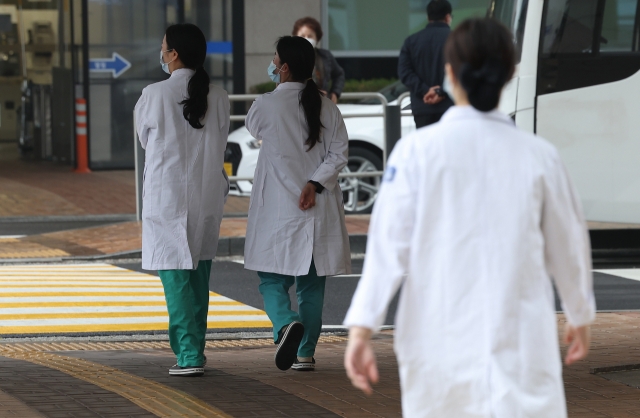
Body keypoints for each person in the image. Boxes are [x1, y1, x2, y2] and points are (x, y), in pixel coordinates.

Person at [344, 18, 595, 417]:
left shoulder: (416, 154)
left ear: (448, 73)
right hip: (521, 337)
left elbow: (387, 249)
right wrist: (579, 313)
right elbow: (569, 244)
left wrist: (362, 328)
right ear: (510, 73)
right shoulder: (539, 155)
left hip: (437, 337)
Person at [244, 36, 351, 372]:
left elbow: (254, 129)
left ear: (284, 67)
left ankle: (285, 323)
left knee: (272, 280)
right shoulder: (328, 107)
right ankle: (305, 352)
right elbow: (339, 154)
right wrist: (313, 182)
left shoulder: (265, 104)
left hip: (278, 208)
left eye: (274, 59)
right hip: (317, 205)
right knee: (311, 285)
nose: (272, 65)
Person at [134, 23, 230, 377]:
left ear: (173, 54)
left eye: (163, 47)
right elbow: (221, 139)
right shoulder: (218, 95)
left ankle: (188, 355)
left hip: (167, 195)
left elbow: (146, 141)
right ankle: (196, 350)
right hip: (205, 195)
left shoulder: (153, 94)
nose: (161, 53)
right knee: (199, 276)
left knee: (175, 278)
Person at [398, 0, 454, 128]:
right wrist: (441, 91)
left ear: (428, 17)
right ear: (447, 17)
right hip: (450, 107)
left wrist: (425, 90)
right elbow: (463, 70)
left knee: (426, 147)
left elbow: (404, 72)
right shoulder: (457, 40)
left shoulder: (411, 41)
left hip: (423, 107)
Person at [293, 17, 345, 104]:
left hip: (323, 106)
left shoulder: (325, 56)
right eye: (302, 36)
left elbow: (339, 74)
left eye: (310, 36)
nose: (306, 39)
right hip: (298, 106)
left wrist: (335, 93)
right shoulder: (290, 58)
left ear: (317, 38)